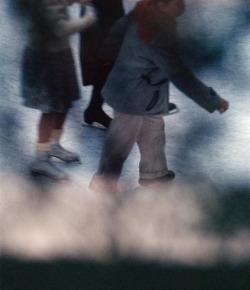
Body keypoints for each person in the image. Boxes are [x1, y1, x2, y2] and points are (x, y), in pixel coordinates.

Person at [89, 0, 229, 192]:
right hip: (133, 97)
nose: (179, 5)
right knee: (120, 142)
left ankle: (153, 174)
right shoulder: (157, 37)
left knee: (153, 134)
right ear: (160, 5)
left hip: (144, 94)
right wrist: (213, 100)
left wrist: (107, 53)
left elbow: (119, 29)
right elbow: (179, 74)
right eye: (173, 2)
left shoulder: (143, 12)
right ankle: (104, 181)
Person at [21, 0, 96, 181]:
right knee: (50, 109)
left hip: (60, 54)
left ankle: (53, 145)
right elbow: (60, 28)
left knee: (63, 103)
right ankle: (40, 158)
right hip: (46, 58)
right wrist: (88, 18)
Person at [80, 0, 124, 129]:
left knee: (106, 70)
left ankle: (94, 109)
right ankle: (94, 110)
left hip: (108, 22)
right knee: (104, 67)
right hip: (102, 27)